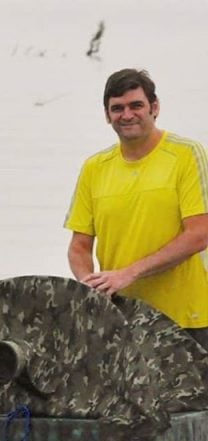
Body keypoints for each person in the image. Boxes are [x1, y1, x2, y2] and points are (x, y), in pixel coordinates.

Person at [65, 68, 208, 348]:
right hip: (123, 319)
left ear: (154, 108)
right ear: (107, 115)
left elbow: (200, 234)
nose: (127, 115)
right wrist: (89, 285)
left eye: (136, 105)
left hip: (189, 318)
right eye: (117, 108)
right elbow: (79, 246)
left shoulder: (187, 154)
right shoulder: (94, 168)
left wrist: (129, 273)